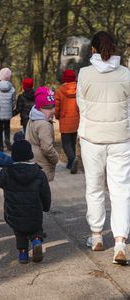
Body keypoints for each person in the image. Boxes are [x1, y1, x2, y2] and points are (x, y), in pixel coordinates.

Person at [77, 31, 130, 265]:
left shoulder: (85, 74)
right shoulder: (126, 74)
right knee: (121, 191)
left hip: (92, 139)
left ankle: (97, 236)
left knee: (95, 188)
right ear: (115, 49)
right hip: (121, 138)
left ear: (93, 50)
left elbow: (81, 105)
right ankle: (120, 241)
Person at [0, 134, 51, 264]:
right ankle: (36, 241)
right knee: (36, 229)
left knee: (20, 233)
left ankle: (23, 254)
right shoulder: (39, 174)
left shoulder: (7, 173)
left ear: (13, 156)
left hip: (14, 214)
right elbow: (45, 194)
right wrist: (46, 206)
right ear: (30, 155)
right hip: (34, 213)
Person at [26, 86, 59, 182]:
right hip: (43, 163)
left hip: (32, 159)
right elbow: (47, 148)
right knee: (43, 189)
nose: (53, 110)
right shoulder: (44, 124)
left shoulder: (33, 117)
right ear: (40, 108)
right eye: (48, 108)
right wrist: (55, 158)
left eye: (54, 106)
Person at [55, 69, 79, 174]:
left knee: (66, 144)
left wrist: (57, 116)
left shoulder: (59, 90)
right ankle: (70, 164)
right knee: (72, 142)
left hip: (65, 119)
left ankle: (73, 159)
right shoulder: (79, 89)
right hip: (77, 119)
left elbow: (56, 107)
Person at [0, 67, 16, 151]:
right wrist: (11, 108)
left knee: (0, 129)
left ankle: (1, 146)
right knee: (7, 127)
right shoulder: (12, 88)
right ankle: (7, 140)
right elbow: (13, 101)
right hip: (8, 112)